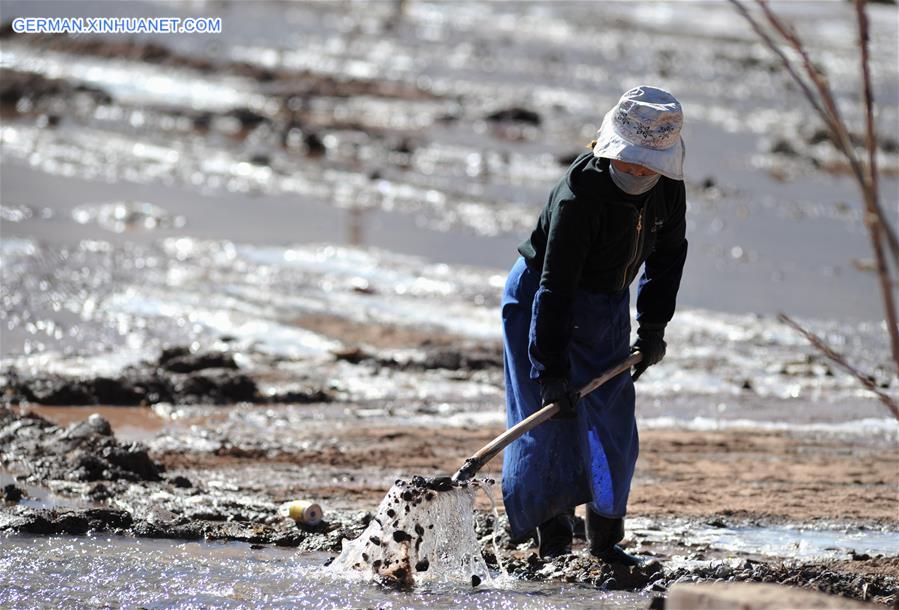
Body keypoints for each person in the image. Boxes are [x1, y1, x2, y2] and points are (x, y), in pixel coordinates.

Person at [501, 85, 688, 565]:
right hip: (539, 303)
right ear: (610, 149)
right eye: (628, 162)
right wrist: (549, 371)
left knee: (611, 422)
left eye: (647, 164)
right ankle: (554, 539)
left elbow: (667, 258)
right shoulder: (579, 197)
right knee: (546, 424)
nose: (637, 171)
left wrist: (652, 328)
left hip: (605, 307)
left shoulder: (668, 189)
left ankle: (605, 540)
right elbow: (555, 286)